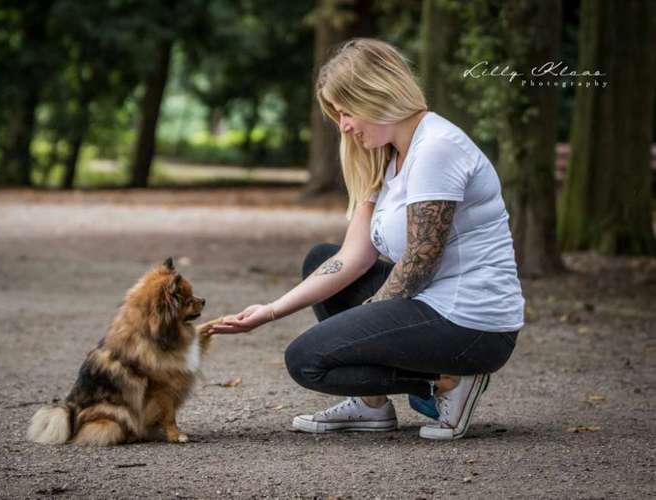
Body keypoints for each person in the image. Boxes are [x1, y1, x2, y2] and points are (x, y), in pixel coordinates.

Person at [208, 38, 524, 441]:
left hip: (472, 324)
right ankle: (370, 404)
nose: (343, 125)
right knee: (319, 259)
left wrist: (365, 321)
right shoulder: (389, 156)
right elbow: (352, 257)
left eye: (345, 111)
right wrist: (269, 311)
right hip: (429, 302)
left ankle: (449, 384)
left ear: (375, 94)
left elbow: (418, 265)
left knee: (307, 360)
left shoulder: (437, 148)